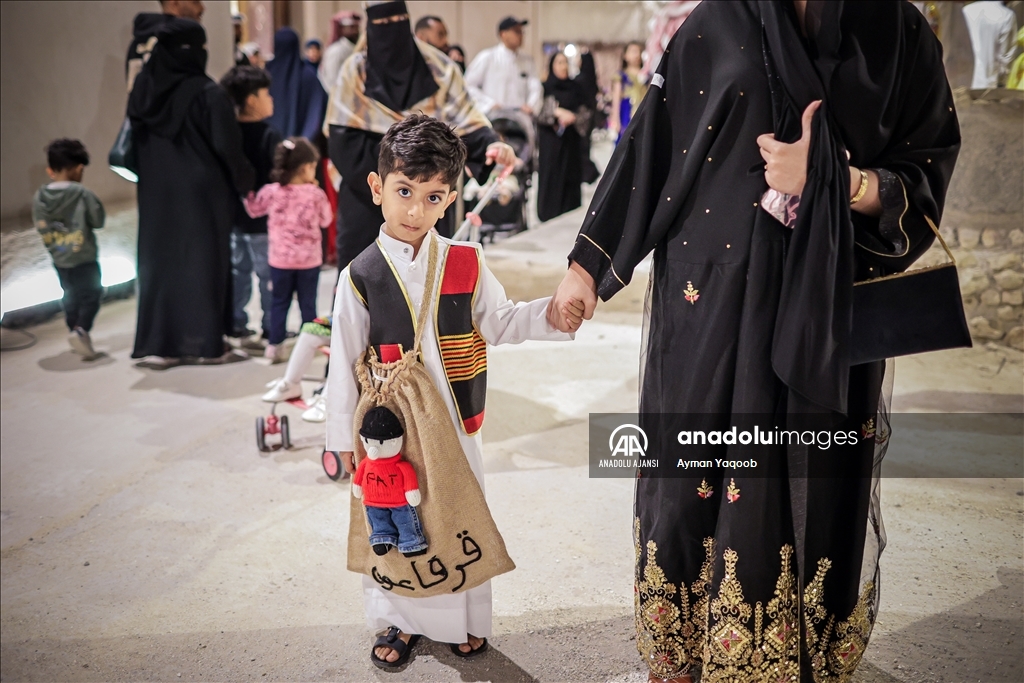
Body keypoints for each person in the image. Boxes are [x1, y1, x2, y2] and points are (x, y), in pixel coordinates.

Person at [547, 2, 959, 681]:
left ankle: (793, 655)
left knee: (810, 475)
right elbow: (654, 142)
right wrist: (588, 265)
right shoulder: (718, 18)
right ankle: (680, 645)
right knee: (688, 478)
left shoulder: (898, 33)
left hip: (827, 304)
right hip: (709, 302)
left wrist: (838, 181)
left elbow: (926, 167)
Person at [326, 114, 573, 668]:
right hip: (389, 434)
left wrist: (554, 314)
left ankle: (463, 620)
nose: (416, 210)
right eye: (404, 191)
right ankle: (399, 620)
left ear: (452, 199)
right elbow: (342, 361)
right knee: (391, 522)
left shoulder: (467, 262)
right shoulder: (359, 275)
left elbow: (502, 322)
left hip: (458, 426)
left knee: (455, 515)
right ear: (377, 187)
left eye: (434, 197)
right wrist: (341, 437)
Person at [324, 0, 516, 267]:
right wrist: (395, 184)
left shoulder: (439, 69)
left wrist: (492, 145)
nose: (390, 31)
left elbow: (466, 125)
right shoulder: (355, 72)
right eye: (382, 23)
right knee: (363, 293)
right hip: (367, 202)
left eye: (397, 22)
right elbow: (342, 141)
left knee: (428, 289)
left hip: (427, 203)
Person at [128, 19, 254, 368]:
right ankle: (204, 343)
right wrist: (247, 181)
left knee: (158, 264)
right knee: (203, 263)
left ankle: (160, 345)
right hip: (202, 196)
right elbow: (228, 148)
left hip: (155, 193)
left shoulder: (143, 90)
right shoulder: (207, 93)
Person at [244, 137, 333, 363]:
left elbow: (254, 210)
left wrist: (247, 193)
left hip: (280, 261)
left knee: (279, 303)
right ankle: (308, 347)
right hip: (309, 262)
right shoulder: (315, 195)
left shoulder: (271, 191)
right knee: (308, 304)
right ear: (306, 168)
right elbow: (326, 220)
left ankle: (274, 346)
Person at [220, 65, 282, 342]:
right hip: (264, 223)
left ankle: (236, 322)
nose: (271, 99)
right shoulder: (270, 135)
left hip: (235, 220)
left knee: (239, 273)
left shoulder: (228, 133)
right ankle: (271, 326)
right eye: (266, 93)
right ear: (252, 99)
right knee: (268, 276)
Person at [33, 139, 105, 360]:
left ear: (50, 170)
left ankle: (74, 330)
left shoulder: (40, 197)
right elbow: (98, 220)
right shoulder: (82, 194)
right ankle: (81, 330)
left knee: (70, 296)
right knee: (92, 294)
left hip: (60, 257)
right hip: (83, 256)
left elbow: (40, 224)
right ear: (79, 169)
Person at [536, 51, 591, 223]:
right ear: (552, 66)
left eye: (565, 62)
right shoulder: (545, 87)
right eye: (559, 63)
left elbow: (587, 111)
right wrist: (555, 112)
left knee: (571, 173)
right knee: (552, 174)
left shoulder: (576, 87)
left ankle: (570, 208)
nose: (563, 66)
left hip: (571, 140)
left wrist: (573, 117)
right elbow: (539, 110)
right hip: (551, 141)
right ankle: (548, 212)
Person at [463, 16, 543, 117]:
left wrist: (531, 106)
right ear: (503, 34)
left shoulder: (528, 61)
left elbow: (536, 88)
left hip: (520, 120)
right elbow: (467, 86)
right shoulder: (487, 57)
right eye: (516, 31)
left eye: (522, 32)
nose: (521, 35)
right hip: (493, 117)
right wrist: (489, 104)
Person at [125, 0, 205, 92]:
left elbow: (133, 92)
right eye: (195, 2)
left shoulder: (138, 44)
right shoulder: (181, 44)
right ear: (175, 3)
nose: (202, 8)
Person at [266, 28, 328, 141]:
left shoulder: (266, 74)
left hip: (269, 144)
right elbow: (320, 106)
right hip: (302, 148)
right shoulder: (308, 75)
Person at [963, 0, 1018, 89]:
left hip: (961, 83)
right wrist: (1002, 83)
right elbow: (1006, 58)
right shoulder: (1007, 15)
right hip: (988, 86)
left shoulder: (966, 10)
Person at [610, 41, 648, 143]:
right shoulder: (621, 76)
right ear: (625, 56)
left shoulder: (647, 76)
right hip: (626, 114)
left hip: (643, 113)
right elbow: (616, 99)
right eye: (633, 51)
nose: (637, 54)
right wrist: (615, 119)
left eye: (639, 51)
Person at [319, 10, 361, 93]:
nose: (355, 31)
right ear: (342, 29)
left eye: (356, 27)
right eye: (351, 27)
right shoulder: (336, 51)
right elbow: (332, 81)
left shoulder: (356, 48)